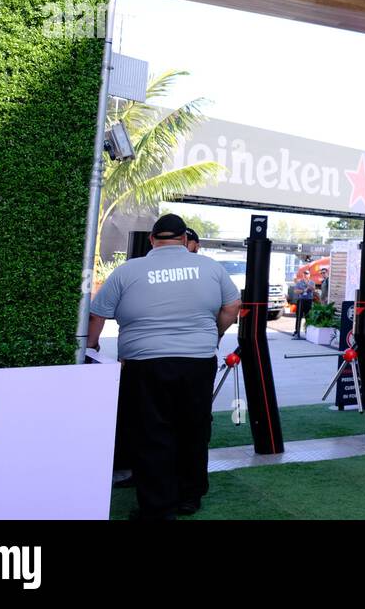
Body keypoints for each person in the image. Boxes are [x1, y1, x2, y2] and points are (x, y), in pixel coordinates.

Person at [87, 214, 241, 519]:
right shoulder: (210, 267)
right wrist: (216, 333)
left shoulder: (128, 270)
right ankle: (189, 496)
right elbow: (232, 306)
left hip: (144, 363)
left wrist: (91, 347)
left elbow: (97, 315)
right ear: (185, 239)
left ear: (152, 240)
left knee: (151, 432)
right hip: (197, 361)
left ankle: (158, 508)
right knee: (194, 427)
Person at [291, 272, 316, 339]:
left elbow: (313, 289)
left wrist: (308, 285)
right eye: (304, 274)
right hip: (301, 300)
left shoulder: (312, 282)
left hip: (308, 300)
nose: (305, 275)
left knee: (308, 317)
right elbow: (295, 291)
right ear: (303, 275)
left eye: (307, 274)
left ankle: (308, 332)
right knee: (299, 316)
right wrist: (303, 290)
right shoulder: (299, 282)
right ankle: (297, 332)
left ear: (309, 275)